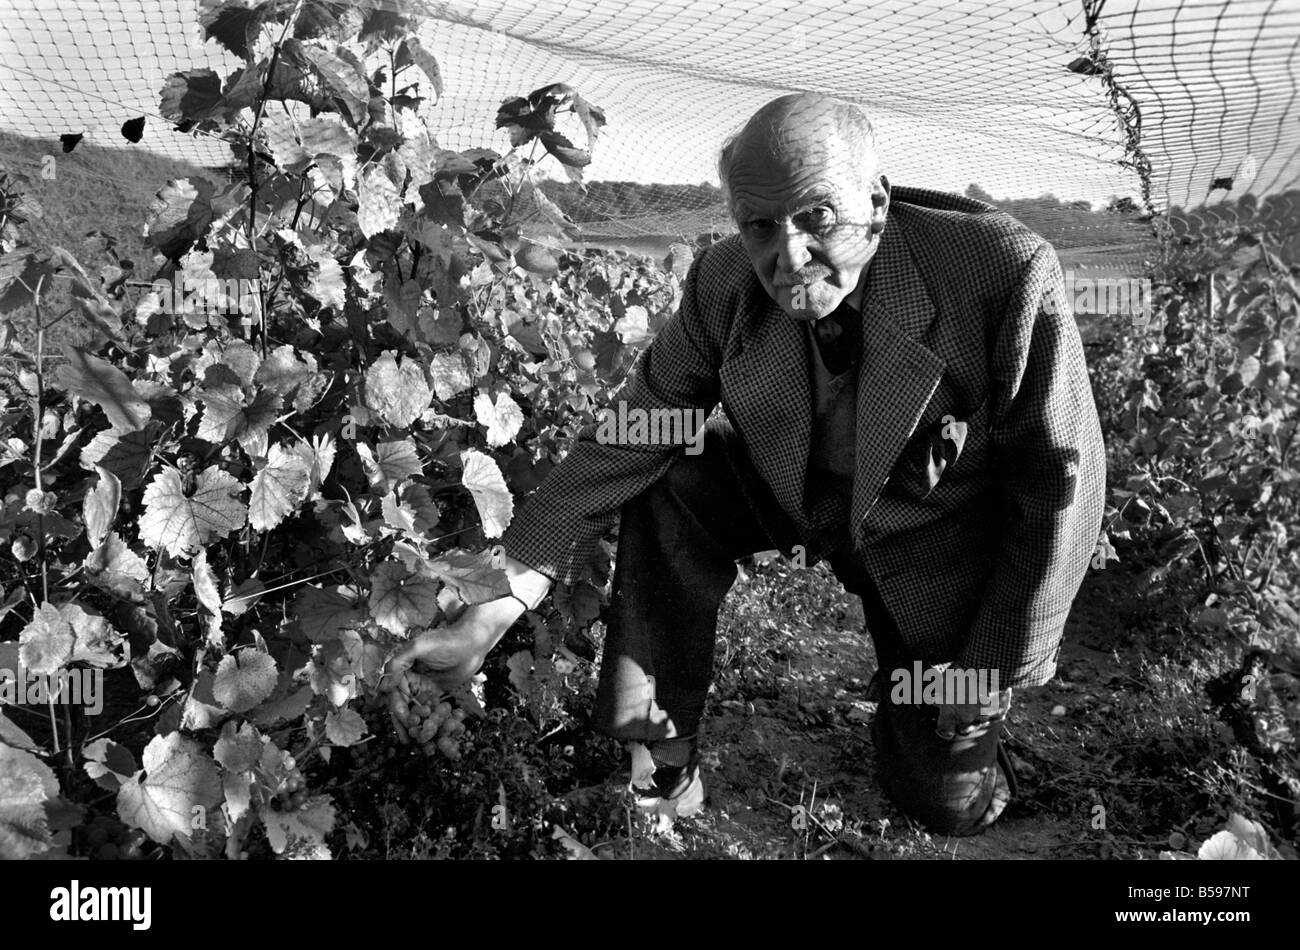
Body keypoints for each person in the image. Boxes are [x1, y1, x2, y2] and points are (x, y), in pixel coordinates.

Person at [390, 92, 1107, 835]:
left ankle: (939, 712)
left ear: (877, 203)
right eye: (760, 224)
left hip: (937, 543)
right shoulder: (724, 283)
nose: (787, 255)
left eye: (816, 218)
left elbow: (1056, 484)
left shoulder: (1000, 274)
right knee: (674, 474)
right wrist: (501, 598)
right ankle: (661, 755)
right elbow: (640, 426)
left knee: (943, 803)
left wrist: (993, 662)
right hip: (801, 501)